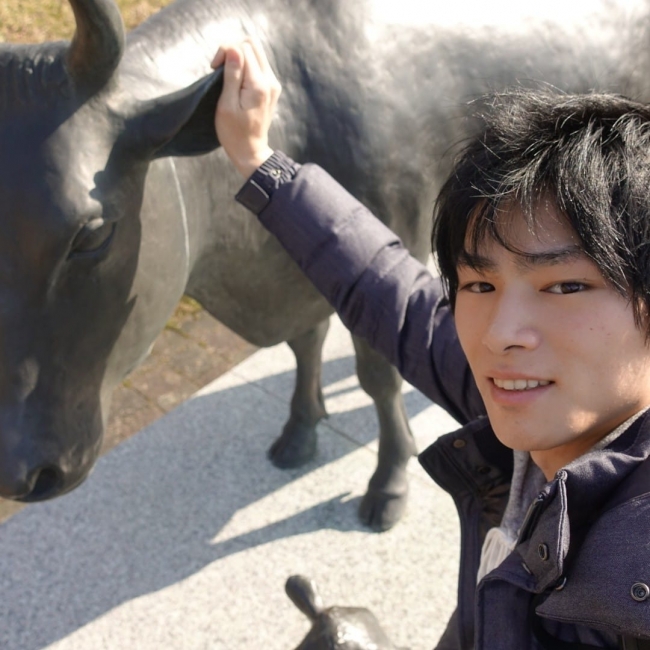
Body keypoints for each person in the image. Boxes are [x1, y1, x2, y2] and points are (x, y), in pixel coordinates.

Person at [211, 39, 650, 649]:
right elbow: (394, 293)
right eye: (479, 282)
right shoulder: (525, 405)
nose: (498, 333)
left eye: (565, 285)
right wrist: (260, 163)